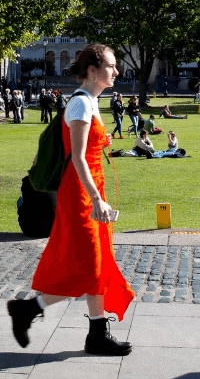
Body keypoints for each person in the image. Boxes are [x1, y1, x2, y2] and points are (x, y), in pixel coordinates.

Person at [8, 43, 136, 357]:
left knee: (99, 262)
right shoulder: (80, 104)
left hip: (91, 190)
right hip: (81, 193)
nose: (116, 71)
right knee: (89, 266)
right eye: (111, 66)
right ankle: (28, 309)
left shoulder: (91, 101)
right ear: (92, 71)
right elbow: (78, 158)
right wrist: (96, 199)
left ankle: (96, 334)